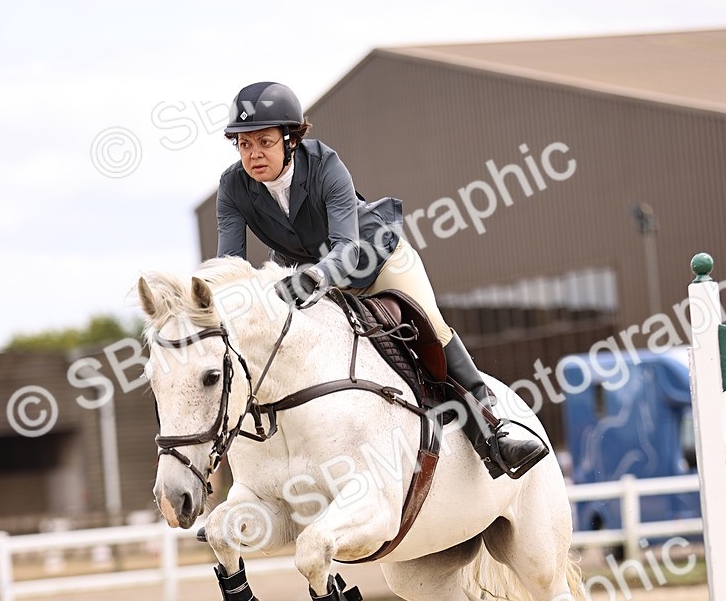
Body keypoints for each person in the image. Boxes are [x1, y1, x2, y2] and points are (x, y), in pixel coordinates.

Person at [216, 80, 548, 479]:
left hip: (374, 259)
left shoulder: (324, 164)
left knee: (431, 326)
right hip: (308, 276)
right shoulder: (232, 186)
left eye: (264, 142)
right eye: (244, 144)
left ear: (290, 139)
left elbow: (347, 249)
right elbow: (229, 265)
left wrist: (312, 279)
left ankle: (495, 432)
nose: (253, 154)